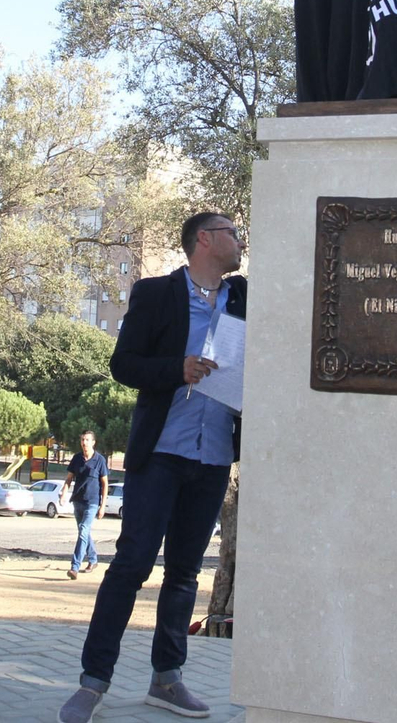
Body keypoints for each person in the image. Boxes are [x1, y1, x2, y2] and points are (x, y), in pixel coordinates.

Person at [57, 212, 246, 723]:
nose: (239, 240)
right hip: (160, 452)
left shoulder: (245, 297)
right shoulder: (156, 293)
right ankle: (92, 683)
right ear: (204, 240)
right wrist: (176, 369)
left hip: (213, 457)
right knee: (133, 565)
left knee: (185, 573)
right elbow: (124, 364)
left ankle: (168, 679)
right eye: (231, 232)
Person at [62, 431, 109, 580]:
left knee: (83, 530)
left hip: (92, 502)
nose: (84, 442)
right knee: (84, 532)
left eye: (87, 440)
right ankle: (93, 559)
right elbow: (69, 478)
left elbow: (105, 483)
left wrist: (103, 506)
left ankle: (74, 567)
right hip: (78, 501)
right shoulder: (76, 458)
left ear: (93, 442)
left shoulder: (100, 460)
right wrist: (64, 492)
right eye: (82, 439)